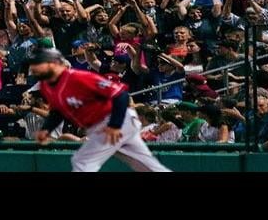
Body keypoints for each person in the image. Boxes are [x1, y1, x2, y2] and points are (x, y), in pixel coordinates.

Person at [29, 47, 171, 172]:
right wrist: (46, 129)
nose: (34, 69)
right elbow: (57, 111)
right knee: (145, 165)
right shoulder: (46, 86)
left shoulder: (78, 77)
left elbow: (120, 95)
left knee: (82, 161)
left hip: (117, 120)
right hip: (100, 125)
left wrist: (115, 125)